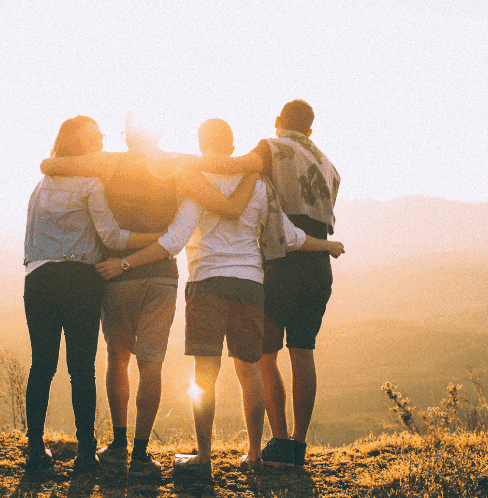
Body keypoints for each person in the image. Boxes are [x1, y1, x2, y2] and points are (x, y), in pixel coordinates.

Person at [96, 118, 344, 477]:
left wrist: (125, 262)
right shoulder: (258, 184)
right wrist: (327, 245)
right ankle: (255, 455)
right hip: (249, 285)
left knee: (205, 375)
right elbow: (288, 236)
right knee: (250, 373)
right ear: (232, 147)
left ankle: (204, 457)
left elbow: (174, 240)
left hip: (206, 283)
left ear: (201, 144)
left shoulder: (195, 182)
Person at [39, 112, 260, 476]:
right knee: (151, 365)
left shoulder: (109, 163)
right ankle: (142, 454)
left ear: (127, 137)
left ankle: (119, 444)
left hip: (117, 273)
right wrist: (253, 165)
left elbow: (51, 164)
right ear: (159, 134)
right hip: (162, 275)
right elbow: (223, 179)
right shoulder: (176, 164)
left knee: (118, 358)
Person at [185, 100, 342, 468]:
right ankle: (297, 447)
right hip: (316, 263)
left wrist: (180, 163)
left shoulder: (271, 148)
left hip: (280, 262)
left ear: (277, 122)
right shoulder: (328, 164)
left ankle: (278, 441)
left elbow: (234, 166)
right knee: (303, 352)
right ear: (311, 130)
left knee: (264, 357)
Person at [22, 116, 164, 475]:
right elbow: (113, 238)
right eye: (95, 136)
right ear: (81, 144)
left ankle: (35, 449)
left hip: (38, 279)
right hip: (81, 281)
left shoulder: (41, 185)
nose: (102, 139)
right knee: (81, 369)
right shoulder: (91, 184)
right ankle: (86, 452)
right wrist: (156, 239)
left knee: (42, 366)